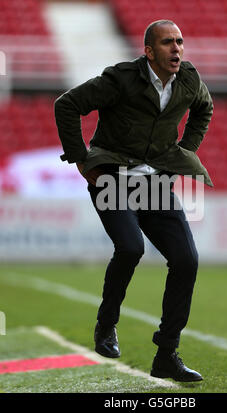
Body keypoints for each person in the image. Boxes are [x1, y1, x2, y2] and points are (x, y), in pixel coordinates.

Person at [54, 20, 213, 382]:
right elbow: (67, 105)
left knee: (186, 260)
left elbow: (204, 109)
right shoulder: (121, 79)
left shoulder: (188, 79)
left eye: (180, 42)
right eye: (168, 43)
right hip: (110, 175)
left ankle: (167, 354)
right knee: (130, 248)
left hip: (154, 181)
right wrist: (80, 158)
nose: (177, 49)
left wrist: (184, 151)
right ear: (149, 51)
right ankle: (106, 325)